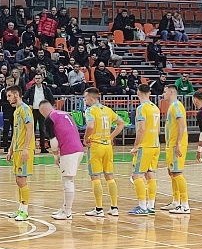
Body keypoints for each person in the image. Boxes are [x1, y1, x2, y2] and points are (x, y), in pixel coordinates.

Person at [83, 87, 125, 218]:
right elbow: (121, 123)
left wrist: (86, 138)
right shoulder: (107, 110)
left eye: (85, 97)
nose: (84, 100)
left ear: (91, 98)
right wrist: (111, 137)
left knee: (95, 177)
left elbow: (90, 126)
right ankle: (114, 207)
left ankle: (99, 209)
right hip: (107, 147)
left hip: (96, 146)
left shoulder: (90, 110)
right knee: (109, 176)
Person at [39, 100, 84, 220]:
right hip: (79, 148)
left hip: (69, 151)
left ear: (42, 111)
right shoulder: (64, 113)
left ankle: (67, 212)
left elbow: (53, 141)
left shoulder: (49, 118)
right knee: (67, 179)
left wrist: (55, 156)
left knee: (67, 180)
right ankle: (65, 208)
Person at [129, 84, 161, 216]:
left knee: (137, 175)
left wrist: (136, 146)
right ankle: (151, 205)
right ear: (150, 93)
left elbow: (141, 129)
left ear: (138, 93)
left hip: (145, 146)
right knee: (150, 174)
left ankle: (142, 206)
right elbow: (158, 129)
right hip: (155, 145)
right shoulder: (155, 108)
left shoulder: (142, 108)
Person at [6, 85, 35, 221]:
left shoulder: (25, 109)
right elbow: (16, 132)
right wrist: (11, 149)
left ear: (16, 95)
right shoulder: (16, 111)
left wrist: (25, 148)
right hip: (17, 149)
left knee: (22, 180)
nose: (8, 99)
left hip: (24, 149)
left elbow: (30, 129)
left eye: (9, 96)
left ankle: (25, 211)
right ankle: (20, 209)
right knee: (18, 180)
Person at [161, 84, 190, 214]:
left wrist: (178, 143)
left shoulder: (177, 106)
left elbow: (181, 124)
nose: (163, 94)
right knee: (172, 173)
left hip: (176, 144)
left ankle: (185, 205)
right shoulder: (172, 106)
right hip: (171, 144)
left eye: (165, 92)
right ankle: (176, 201)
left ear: (171, 92)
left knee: (177, 173)